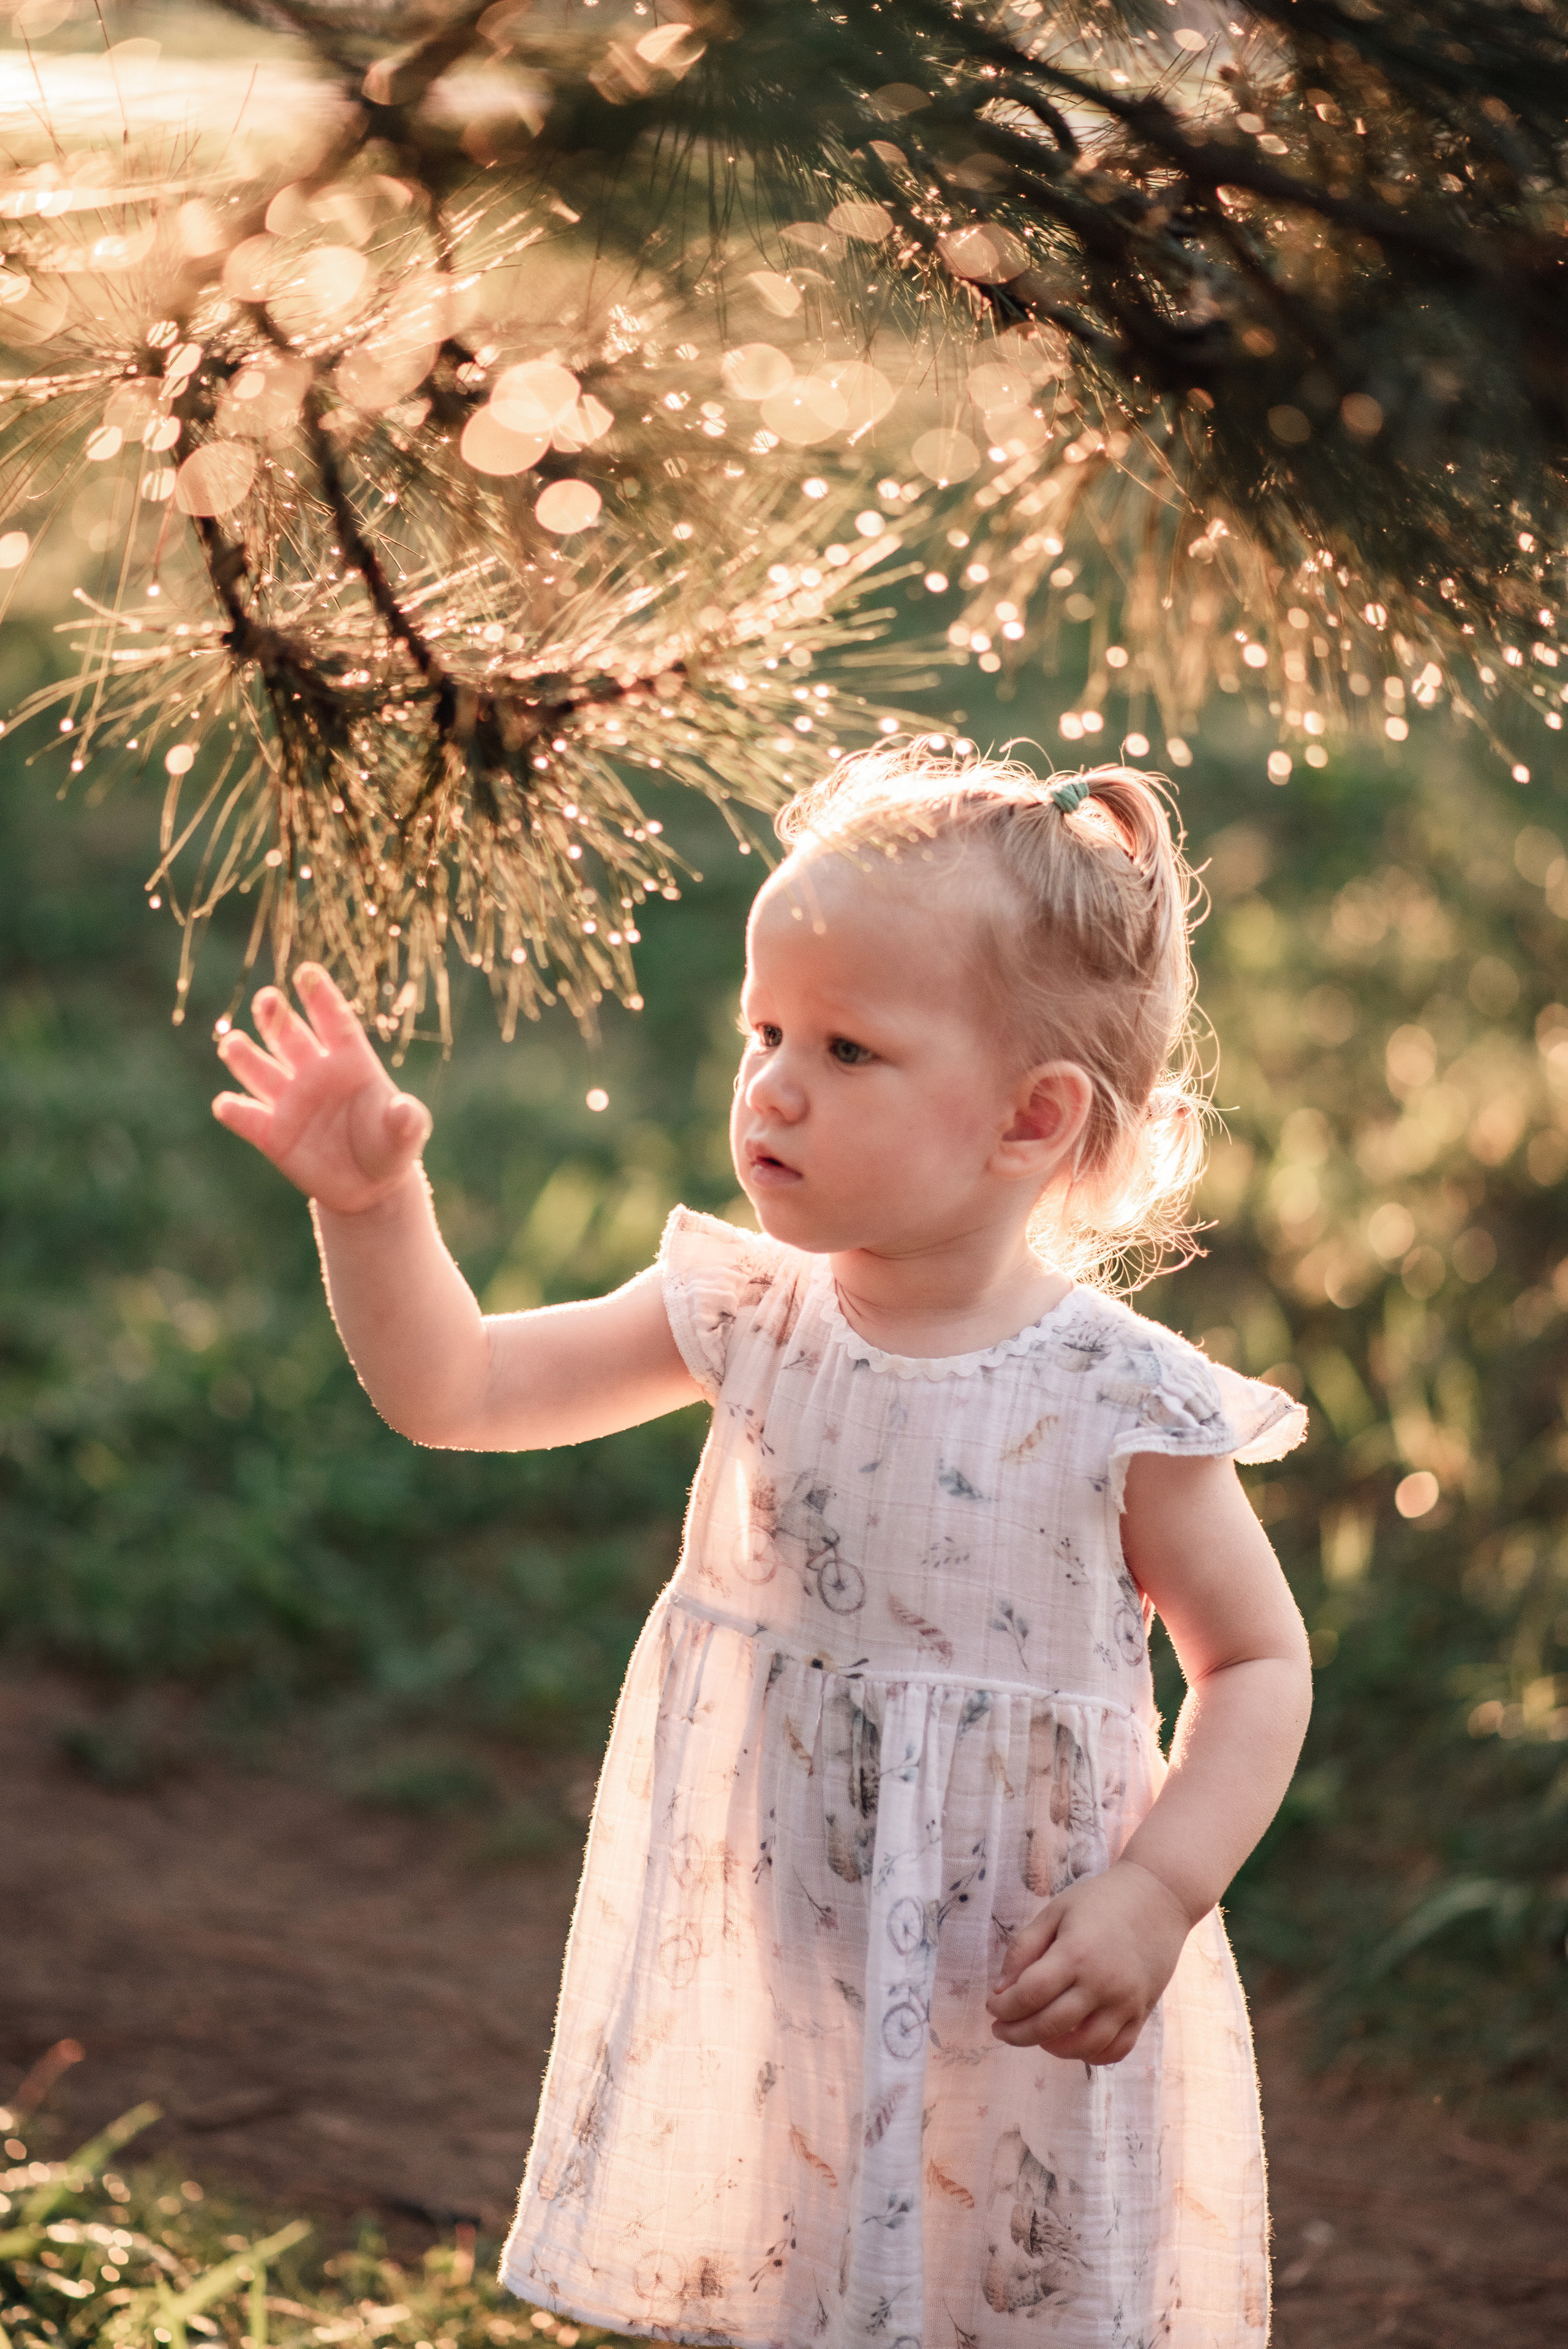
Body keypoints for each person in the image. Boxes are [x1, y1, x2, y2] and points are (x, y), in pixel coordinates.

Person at [213, 748, 1312, 2349]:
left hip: (1032, 1985)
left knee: (1010, 2300)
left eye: (847, 1048)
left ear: (1031, 1116)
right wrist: (377, 1209)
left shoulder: (1114, 1399)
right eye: (765, 1033)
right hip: (786, 1960)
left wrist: (1159, 1891)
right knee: (797, 2273)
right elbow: (461, 1391)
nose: (774, 1088)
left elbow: (1258, 1662)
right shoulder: (746, 1314)